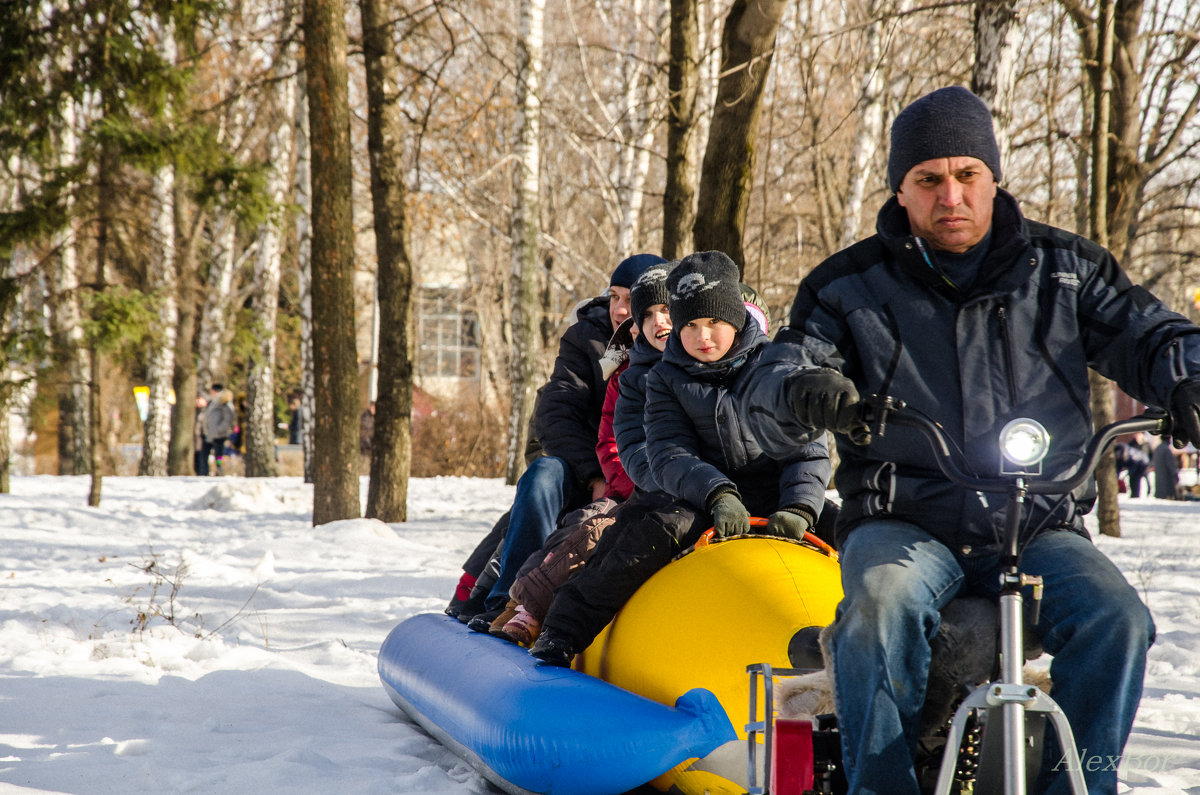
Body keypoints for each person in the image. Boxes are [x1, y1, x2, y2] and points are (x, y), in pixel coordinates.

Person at [739, 85, 1200, 795]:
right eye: (929, 180)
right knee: (876, 610)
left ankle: (1079, 784)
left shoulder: (1067, 271)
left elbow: (1151, 333)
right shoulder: (848, 287)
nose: (950, 195)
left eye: (966, 175)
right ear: (901, 190)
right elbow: (784, 366)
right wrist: (806, 389)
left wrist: (1187, 378)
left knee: (1119, 616)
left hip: (1039, 519)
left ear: (993, 178)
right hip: (905, 520)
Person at [530, 251, 835, 667]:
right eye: (690, 324)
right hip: (692, 496)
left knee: (850, 526)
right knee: (643, 537)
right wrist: (717, 494)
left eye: (713, 322)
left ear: (736, 318)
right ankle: (564, 631)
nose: (702, 335)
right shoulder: (664, 379)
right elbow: (669, 450)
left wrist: (800, 506)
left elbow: (808, 448)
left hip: (774, 492)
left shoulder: (777, 367)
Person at [454, 254, 668, 629]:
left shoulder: (675, 349)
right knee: (541, 478)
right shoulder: (588, 339)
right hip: (583, 462)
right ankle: (503, 599)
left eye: (630, 299)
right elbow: (555, 415)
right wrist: (594, 475)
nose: (620, 309)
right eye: (614, 297)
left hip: (642, 475)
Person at [202, 388, 236, 476]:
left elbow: (228, 419)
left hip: (220, 435)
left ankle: (220, 470)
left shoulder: (225, 403)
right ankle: (210, 471)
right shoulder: (215, 402)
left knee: (219, 455)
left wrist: (219, 430)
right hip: (212, 433)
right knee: (208, 454)